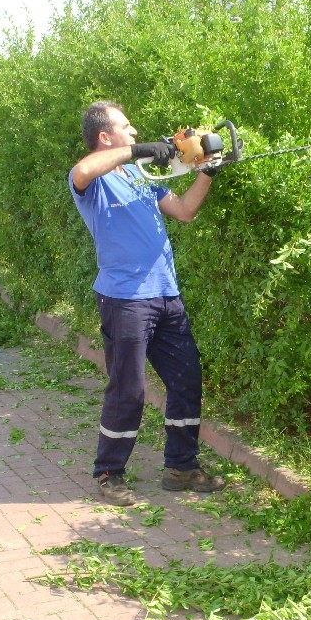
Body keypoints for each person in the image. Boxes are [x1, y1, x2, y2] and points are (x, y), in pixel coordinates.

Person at [69, 101, 226, 506]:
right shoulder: (94, 181)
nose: (135, 131)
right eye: (127, 127)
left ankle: (181, 467)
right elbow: (84, 171)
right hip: (125, 300)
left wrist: (206, 172)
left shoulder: (142, 177)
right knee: (129, 390)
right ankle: (109, 473)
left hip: (166, 295)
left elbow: (185, 211)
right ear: (105, 137)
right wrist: (140, 152)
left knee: (186, 378)